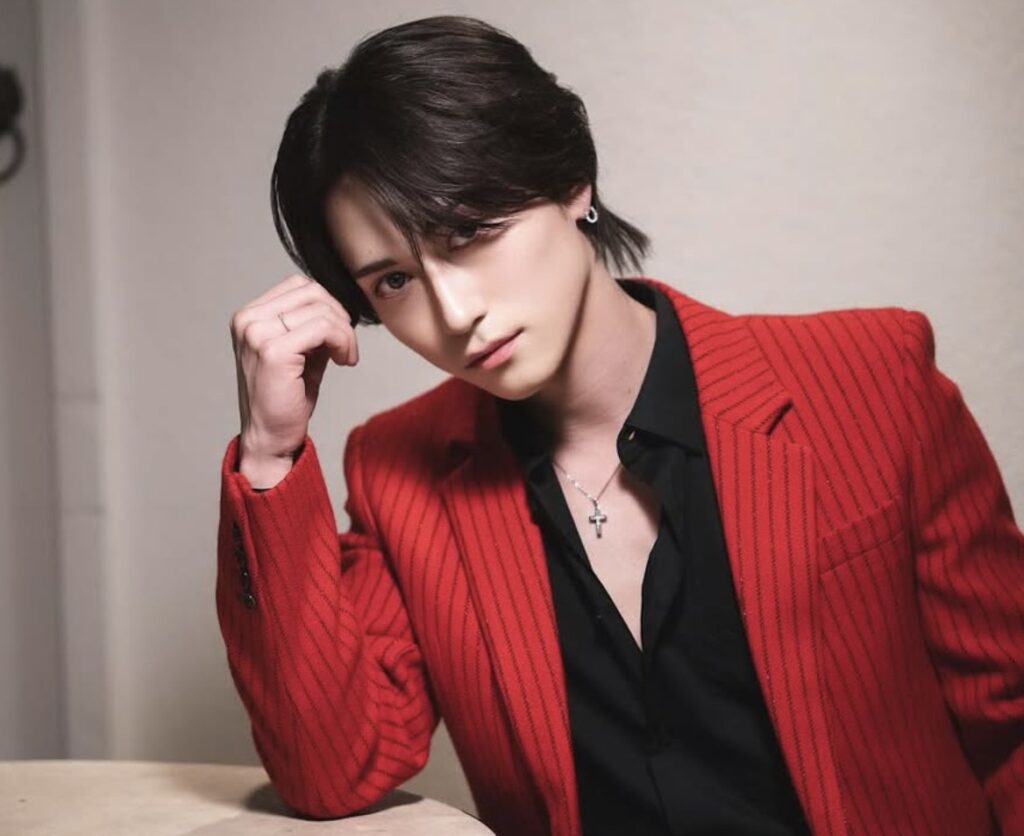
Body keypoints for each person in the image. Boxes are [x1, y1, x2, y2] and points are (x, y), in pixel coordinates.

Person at [217, 14, 1024, 836]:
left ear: (573, 182)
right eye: (393, 281)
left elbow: (1012, 718)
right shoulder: (400, 472)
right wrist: (270, 456)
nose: (453, 313)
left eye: (470, 232)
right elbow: (329, 772)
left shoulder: (871, 380)